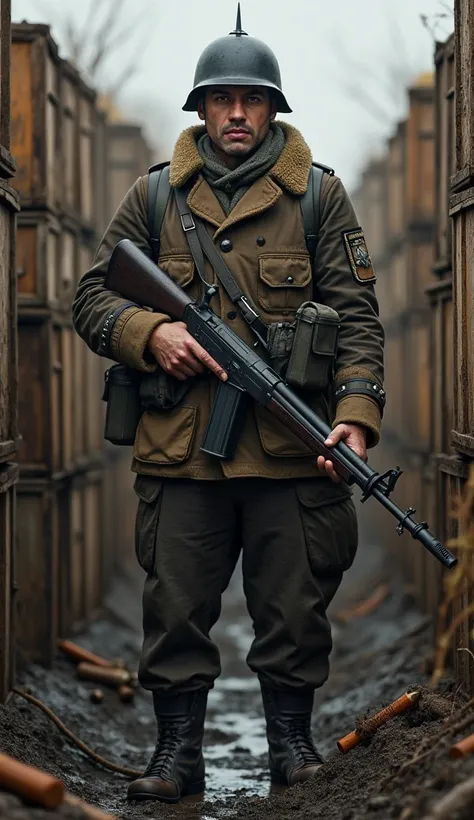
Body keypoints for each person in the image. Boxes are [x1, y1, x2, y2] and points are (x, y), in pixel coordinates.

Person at [72, 6, 385, 804]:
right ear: (202, 109)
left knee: (293, 611)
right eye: (222, 99)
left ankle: (291, 749)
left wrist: (354, 415)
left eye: (252, 99)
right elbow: (91, 299)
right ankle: (177, 755)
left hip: (289, 451)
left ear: (273, 108)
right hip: (183, 450)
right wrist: (151, 335)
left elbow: (356, 319)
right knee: (174, 611)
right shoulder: (153, 197)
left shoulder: (318, 199)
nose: (238, 113)